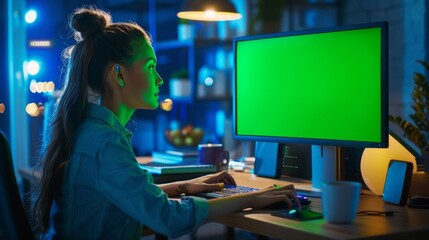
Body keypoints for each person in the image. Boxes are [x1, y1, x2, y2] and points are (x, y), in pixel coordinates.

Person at [33, 5, 299, 239]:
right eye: (150, 66)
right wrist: (251, 198)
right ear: (118, 74)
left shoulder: (88, 130)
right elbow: (168, 218)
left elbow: (125, 193)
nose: (159, 79)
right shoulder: (105, 141)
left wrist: (184, 186)